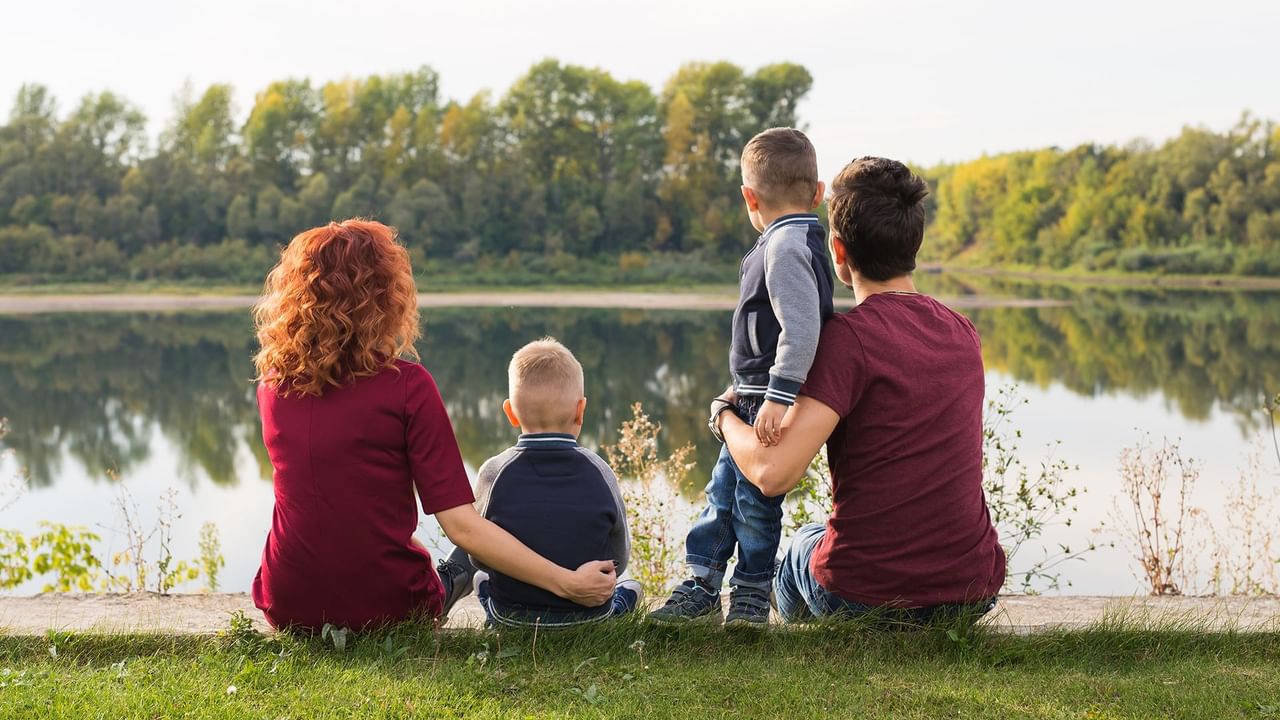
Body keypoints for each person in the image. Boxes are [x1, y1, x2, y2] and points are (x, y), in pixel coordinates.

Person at [250, 219, 617, 631]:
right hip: (388, 609)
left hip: (288, 602)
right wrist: (568, 583)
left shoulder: (273, 387)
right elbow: (461, 525)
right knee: (464, 558)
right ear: (385, 296)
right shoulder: (406, 386)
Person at [709, 157, 1005, 623]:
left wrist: (724, 415)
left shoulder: (848, 339)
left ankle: (808, 632)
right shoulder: (963, 333)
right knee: (816, 534)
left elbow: (772, 473)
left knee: (800, 551)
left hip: (864, 596)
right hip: (970, 591)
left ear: (838, 252)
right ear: (914, 243)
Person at [649, 128, 834, 627]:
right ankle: (703, 583)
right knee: (721, 496)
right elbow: (769, 333)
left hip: (768, 404)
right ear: (817, 192)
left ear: (748, 197)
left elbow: (801, 330)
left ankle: (751, 590)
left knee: (755, 503)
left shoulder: (785, 247)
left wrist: (777, 396)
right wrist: (742, 387)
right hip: (752, 395)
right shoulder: (793, 240)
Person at [437, 337, 642, 627]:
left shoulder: (493, 472)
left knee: (482, 577)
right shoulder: (600, 470)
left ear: (509, 413)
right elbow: (619, 554)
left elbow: (481, 557)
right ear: (580, 410)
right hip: (588, 616)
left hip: (511, 617)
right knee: (632, 586)